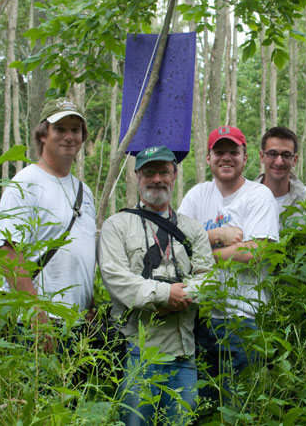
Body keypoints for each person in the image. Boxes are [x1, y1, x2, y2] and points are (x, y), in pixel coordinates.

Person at [98, 146, 214, 425]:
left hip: (184, 353)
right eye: (149, 172)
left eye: (164, 171)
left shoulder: (192, 228)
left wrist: (182, 296)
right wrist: (163, 295)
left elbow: (208, 277)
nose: (157, 179)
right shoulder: (117, 225)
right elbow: (115, 277)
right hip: (137, 353)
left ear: (174, 175)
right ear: (137, 176)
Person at [178, 125, 279, 402]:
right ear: (208, 158)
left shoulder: (258, 196)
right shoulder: (197, 196)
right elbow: (176, 248)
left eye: (233, 151)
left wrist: (202, 250)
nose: (226, 157)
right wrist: (217, 236)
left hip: (245, 319)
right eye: (219, 151)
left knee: (240, 406)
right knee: (204, 406)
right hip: (201, 319)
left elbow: (255, 252)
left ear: (245, 157)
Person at [0, 98, 96, 349]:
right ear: (43, 134)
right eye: (60, 129)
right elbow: (8, 253)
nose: (69, 136)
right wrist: (36, 316)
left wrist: (90, 307)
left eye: (75, 129)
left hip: (78, 324)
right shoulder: (26, 183)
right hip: (36, 325)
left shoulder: (84, 191)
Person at [255, 126, 306, 228]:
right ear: (262, 156)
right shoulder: (245, 199)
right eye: (272, 154)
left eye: (286, 155)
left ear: (295, 160)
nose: (279, 162)